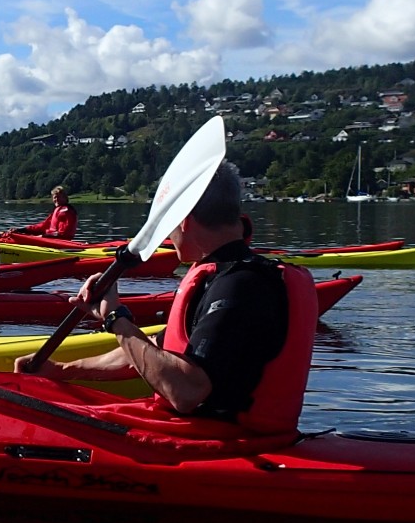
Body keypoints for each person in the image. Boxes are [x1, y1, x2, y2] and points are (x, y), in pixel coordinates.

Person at [15, 162, 289, 420]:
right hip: (208, 433)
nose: (168, 236)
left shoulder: (238, 285)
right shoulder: (228, 276)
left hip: (227, 442)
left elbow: (187, 392)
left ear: (184, 221)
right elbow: (151, 352)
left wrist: (115, 318)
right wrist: (63, 370)